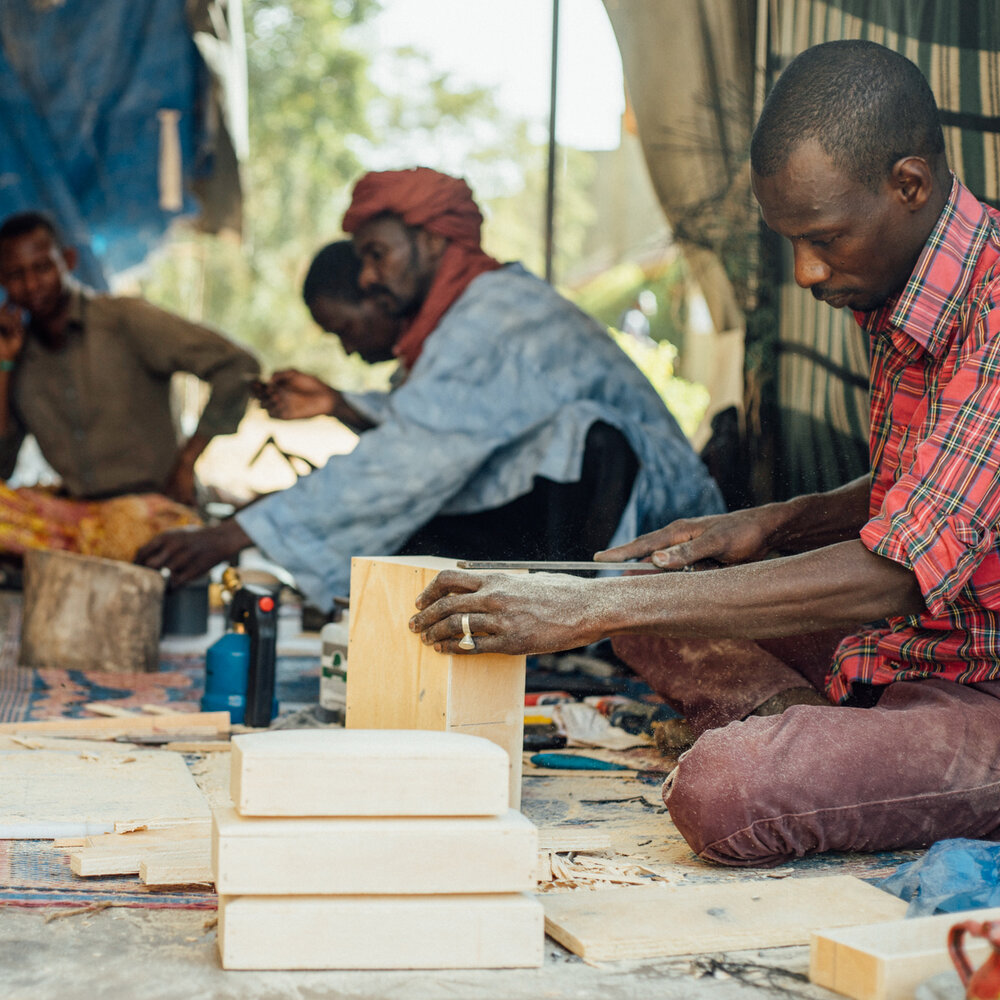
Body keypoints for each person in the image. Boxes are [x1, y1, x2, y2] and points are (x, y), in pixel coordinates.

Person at [410, 40, 1000, 867]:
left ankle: (822, 745)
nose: (804, 270)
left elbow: (892, 571)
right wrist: (775, 522)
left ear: (910, 184)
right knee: (650, 593)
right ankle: (824, 731)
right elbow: (930, 491)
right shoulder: (906, 280)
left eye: (822, 237)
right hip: (917, 640)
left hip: (981, 682)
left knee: (722, 792)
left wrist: (579, 611)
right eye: (790, 240)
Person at [137, 170, 724, 608]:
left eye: (376, 254)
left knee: (426, 500)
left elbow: (414, 454)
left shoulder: (493, 314)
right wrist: (344, 405)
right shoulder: (466, 318)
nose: (367, 277)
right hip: (606, 516)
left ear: (434, 241)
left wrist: (235, 534)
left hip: (660, 529)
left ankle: (570, 637)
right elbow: (441, 419)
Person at [0, 211, 259, 559]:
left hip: (154, 511)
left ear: (69, 261)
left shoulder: (124, 320)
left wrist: (187, 461)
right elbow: (3, 467)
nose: (31, 285)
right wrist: (4, 367)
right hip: (82, 525)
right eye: (16, 275)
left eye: (42, 268)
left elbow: (237, 366)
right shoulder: (16, 355)